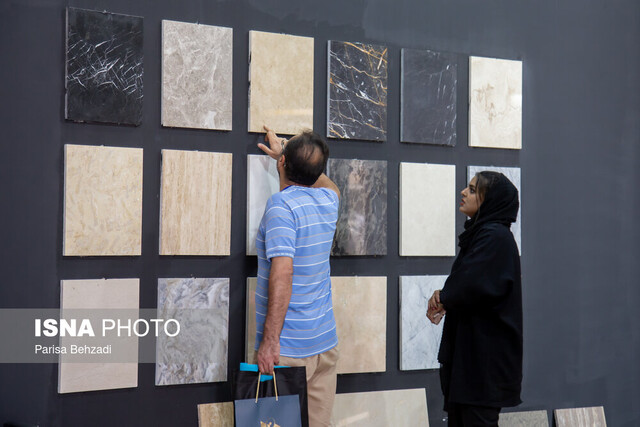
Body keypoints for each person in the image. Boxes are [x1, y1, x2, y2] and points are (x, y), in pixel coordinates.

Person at [255, 125, 341, 427]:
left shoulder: (281, 205)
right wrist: (293, 160)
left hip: (289, 349)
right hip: (324, 345)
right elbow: (331, 186)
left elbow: (283, 273)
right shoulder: (329, 201)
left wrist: (269, 342)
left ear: (283, 164)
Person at [427, 171, 523, 427]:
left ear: (489, 199)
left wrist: (444, 297)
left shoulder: (494, 236)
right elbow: (466, 281)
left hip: (484, 365)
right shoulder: (485, 234)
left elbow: (471, 283)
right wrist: (444, 295)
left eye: (471, 190)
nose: (463, 192)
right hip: (474, 361)